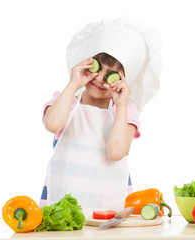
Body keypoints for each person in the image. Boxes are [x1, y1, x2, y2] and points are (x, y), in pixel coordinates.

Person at [39, 17, 162, 216]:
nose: (99, 78)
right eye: (96, 67)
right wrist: (73, 85)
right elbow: (52, 124)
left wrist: (121, 105)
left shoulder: (125, 112)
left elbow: (115, 152)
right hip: (60, 200)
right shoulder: (68, 99)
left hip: (109, 207)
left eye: (112, 75)